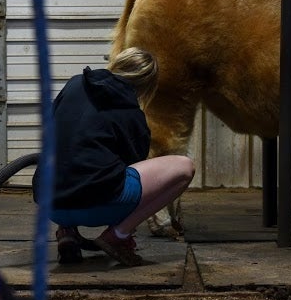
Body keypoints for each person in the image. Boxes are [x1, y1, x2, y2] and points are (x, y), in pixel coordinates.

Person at [32, 47, 195, 267]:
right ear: (147, 85)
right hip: (100, 207)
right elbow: (133, 164)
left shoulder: (74, 84)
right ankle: (117, 235)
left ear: (117, 64)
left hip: (51, 205)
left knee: (68, 160)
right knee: (184, 168)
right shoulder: (132, 113)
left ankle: (66, 233)